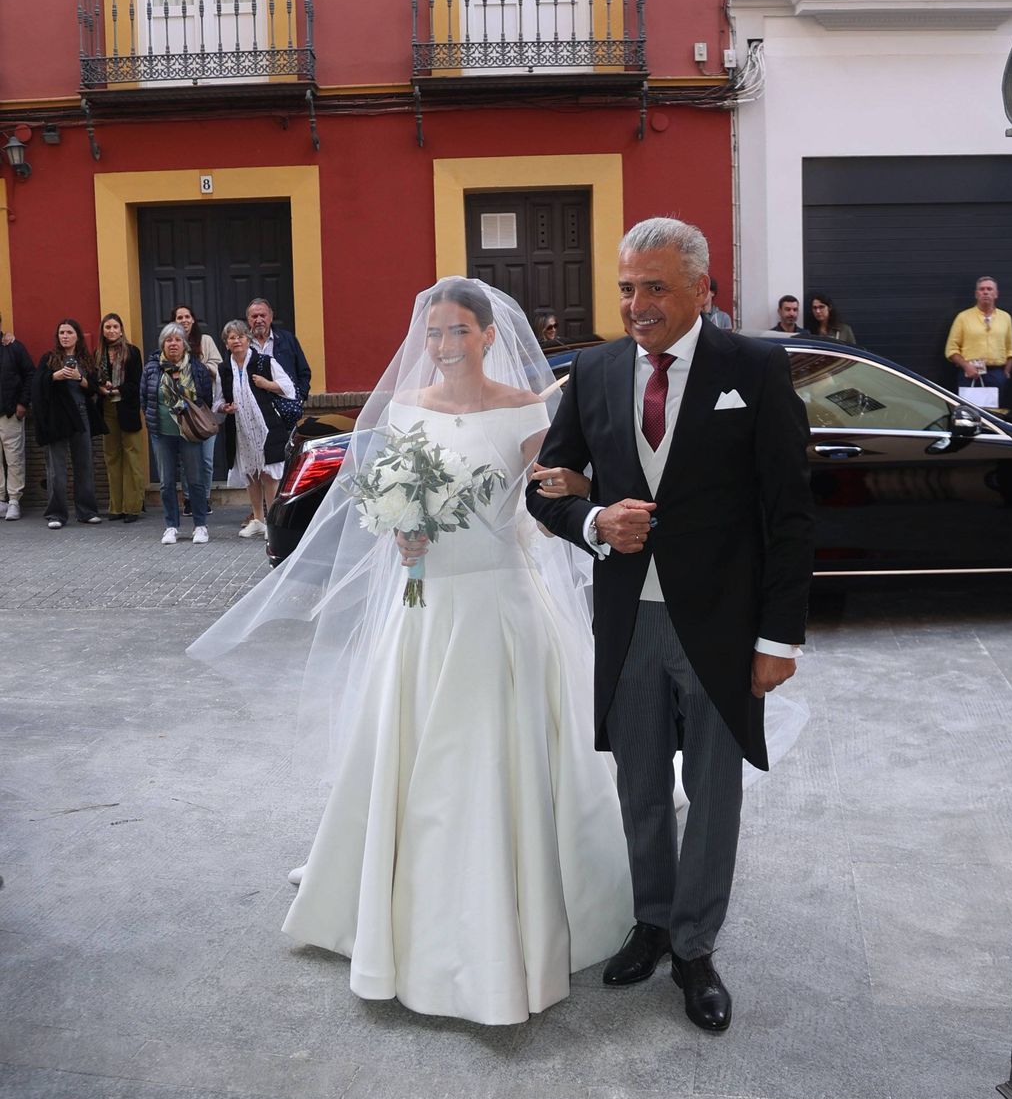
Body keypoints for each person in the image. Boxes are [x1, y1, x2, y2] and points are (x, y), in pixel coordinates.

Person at [189, 278, 633, 1025]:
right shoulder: (405, 409)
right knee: (416, 744)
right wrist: (400, 528)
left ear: (489, 336)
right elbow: (388, 496)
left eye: (460, 331)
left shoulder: (529, 410)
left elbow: (548, 499)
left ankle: (509, 910)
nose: (447, 346)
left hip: (498, 601)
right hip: (425, 604)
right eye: (436, 334)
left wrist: (564, 518)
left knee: (496, 752)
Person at [526, 218, 815, 1033]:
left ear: (701, 288)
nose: (637, 304)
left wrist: (777, 639)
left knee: (714, 793)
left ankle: (695, 947)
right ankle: (651, 921)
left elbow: (789, 514)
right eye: (626, 287)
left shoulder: (753, 368)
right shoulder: (595, 370)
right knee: (640, 787)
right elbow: (544, 489)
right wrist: (591, 521)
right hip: (626, 623)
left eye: (655, 287)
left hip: (724, 627)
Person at [214, 319, 296, 539]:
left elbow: (289, 388)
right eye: (232, 337)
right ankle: (258, 520)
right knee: (251, 474)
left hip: (267, 427)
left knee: (269, 474)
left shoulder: (263, 362)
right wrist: (224, 407)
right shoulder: (224, 369)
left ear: (247, 339)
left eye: (240, 336)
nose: (237, 340)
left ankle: (272, 521)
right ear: (226, 343)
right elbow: (217, 401)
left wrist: (266, 384)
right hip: (241, 428)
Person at [140, 322, 212, 545]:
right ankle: (171, 526)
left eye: (177, 340)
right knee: (166, 481)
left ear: (185, 344)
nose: (173, 344)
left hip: (189, 434)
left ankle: (200, 525)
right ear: (163, 343)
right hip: (162, 432)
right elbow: (144, 397)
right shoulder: (152, 368)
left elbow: (205, 398)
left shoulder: (197, 368)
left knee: (195, 480)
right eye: (169, 340)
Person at [31, 319, 105, 530]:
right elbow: (37, 384)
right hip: (57, 417)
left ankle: (87, 511)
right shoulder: (49, 358)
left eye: (69, 332)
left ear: (77, 336)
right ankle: (56, 513)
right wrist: (54, 376)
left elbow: (93, 388)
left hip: (81, 415)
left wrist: (79, 377)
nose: (65, 336)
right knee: (56, 468)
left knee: (84, 464)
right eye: (61, 332)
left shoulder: (86, 360)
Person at [172, 305, 223, 519]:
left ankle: (205, 497)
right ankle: (189, 499)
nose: (184, 320)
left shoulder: (207, 341)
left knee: (206, 459)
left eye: (187, 316)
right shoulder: (172, 341)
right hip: (183, 409)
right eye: (179, 317)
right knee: (187, 458)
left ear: (193, 319)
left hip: (205, 407)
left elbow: (218, 366)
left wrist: (197, 366)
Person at [96, 312, 146, 523]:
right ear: (103, 331)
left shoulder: (132, 352)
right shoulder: (98, 353)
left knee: (132, 456)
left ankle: (132, 507)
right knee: (112, 457)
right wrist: (101, 387)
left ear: (121, 329)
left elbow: (137, 383)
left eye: (115, 327)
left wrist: (117, 389)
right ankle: (116, 507)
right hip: (107, 408)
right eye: (108, 327)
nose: (111, 331)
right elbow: (93, 378)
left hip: (127, 408)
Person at [945, 276, 1012, 399]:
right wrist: (966, 366)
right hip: (969, 374)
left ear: (996, 294)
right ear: (977, 294)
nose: (986, 292)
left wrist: (1006, 373)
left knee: (993, 413)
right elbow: (951, 349)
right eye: (982, 289)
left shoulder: (1005, 318)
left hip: (996, 374)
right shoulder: (963, 317)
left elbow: (1010, 349)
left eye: (989, 289)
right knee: (969, 413)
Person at [0, 313, 34, 521]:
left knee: (14, 458)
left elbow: (30, 373)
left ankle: (14, 500)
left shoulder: (13, 347)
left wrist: (22, 403)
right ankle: (0, 500)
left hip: (10, 411)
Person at [245, 298, 311, 401]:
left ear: (271, 317)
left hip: (285, 405)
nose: (258, 320)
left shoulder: (288, 339)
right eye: (254, 316)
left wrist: (299, 397)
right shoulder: (241, 343)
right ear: (248, 319)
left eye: (263, 315)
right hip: (253, 405)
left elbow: (303, 372)